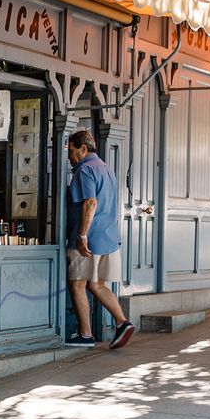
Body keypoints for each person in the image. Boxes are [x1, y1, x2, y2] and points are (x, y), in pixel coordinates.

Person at [65, 130, 135, 349]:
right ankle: (122, 322)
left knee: (77, 284)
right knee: (97, 285)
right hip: (108, 236)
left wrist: (82, 235)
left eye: (71, 151)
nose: (69, 156)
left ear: (83, 149)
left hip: (88, 239)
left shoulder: (85, 170)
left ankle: (85, 333)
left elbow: (90, 203)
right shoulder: (106, 169)